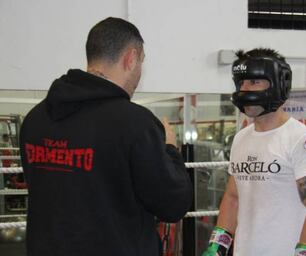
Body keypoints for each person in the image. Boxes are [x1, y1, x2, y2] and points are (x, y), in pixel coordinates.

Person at [19, 17, 193, 256]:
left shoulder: (35, 119)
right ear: (131, 58)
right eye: (141, 61)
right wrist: (171, 151)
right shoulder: (136, 123)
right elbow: (173, 205)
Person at [202, 48, 306, 256]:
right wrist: (217, 246)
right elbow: (233, 196)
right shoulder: (241, 138)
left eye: (254, 82)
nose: (245, 89)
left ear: (278, 83)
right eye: (241, 83)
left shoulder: (304, 140)